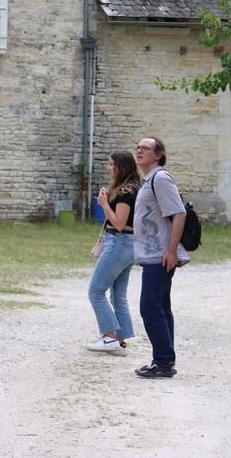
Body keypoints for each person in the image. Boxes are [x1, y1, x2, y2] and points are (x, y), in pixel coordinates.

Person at [132, 136, 189, 378]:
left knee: (150, 307)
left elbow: (179, 213)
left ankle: (164, 362)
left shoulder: (160, 178)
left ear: (158, 155)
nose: (139, 150)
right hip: (153, 253)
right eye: (138, 147)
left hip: (160, 254)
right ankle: (164, 360)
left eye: (146, 148)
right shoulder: (148, 180)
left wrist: (171, 250)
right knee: (161, 307)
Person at [85, 150, 139, 353]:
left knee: (96, 291)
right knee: (118, 295)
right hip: (126, 244)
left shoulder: (126, 192)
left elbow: (118, 223)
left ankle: (109, 338)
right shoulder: (130, 189)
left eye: (110, 164)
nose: (108, 168)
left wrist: (104, 204)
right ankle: (120, 340)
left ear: (120, 167)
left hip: (119, 241)